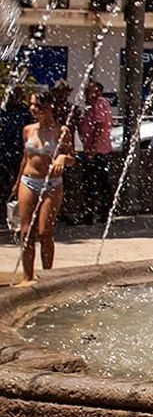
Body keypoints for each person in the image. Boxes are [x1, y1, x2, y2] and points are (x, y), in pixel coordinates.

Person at [13, 86, 74, 285]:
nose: (33, 108)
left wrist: (63, 157)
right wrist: (16, 182)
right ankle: (27, 277)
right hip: (28, 181)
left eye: (37, 105)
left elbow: (73, 158)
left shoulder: (61, 131)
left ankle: (48, 278)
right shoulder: (28, 130)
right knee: (25, 231)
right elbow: (25, 158)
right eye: (31, 104)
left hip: (51, 184)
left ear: (49, 107)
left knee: (44, 232)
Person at [75, 79, 113, 225]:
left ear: (97, 92)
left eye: (88, 91)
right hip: (93, 150)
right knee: (91, 183)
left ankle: (98, 214)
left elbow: (99, 126)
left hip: (98, 151)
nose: (86, 94)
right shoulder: (91, 106)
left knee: (95, 183)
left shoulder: (100, 103)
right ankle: (92, 213)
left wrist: (92, 148)